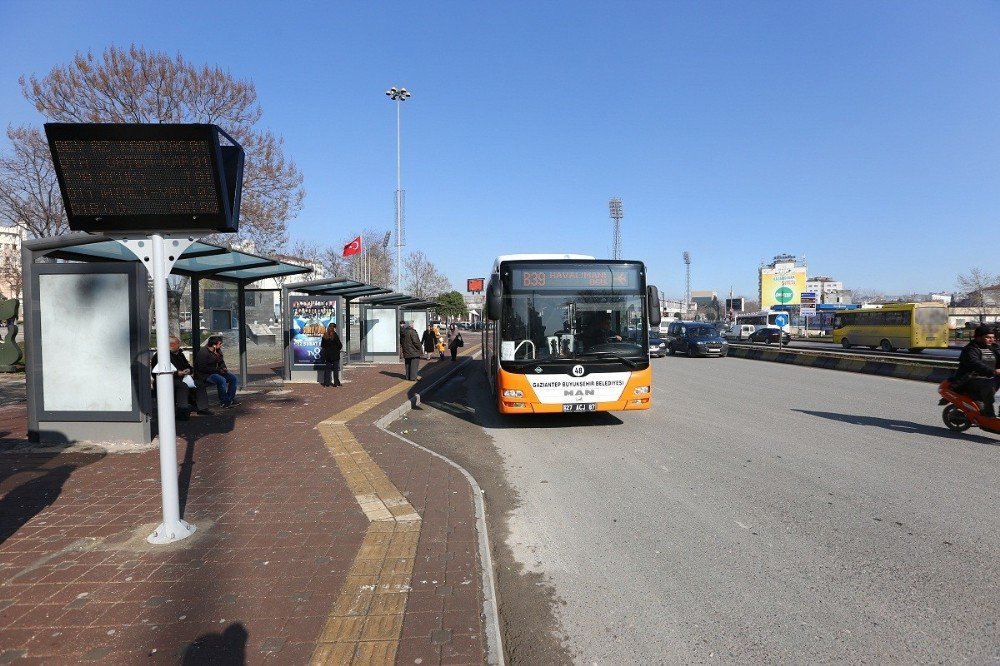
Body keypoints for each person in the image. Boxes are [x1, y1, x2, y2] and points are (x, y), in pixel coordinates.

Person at [152, 336, 211, 419]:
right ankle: (182, 411)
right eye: (178, 345)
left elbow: (188, 366)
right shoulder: (160, 356)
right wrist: (177, 373)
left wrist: (188, 370)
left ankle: (203, 408)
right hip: (168, 380)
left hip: (183, 378)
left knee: (199, 384)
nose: (179, 346)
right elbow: (156, 372)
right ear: (172, 345)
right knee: (182, 386)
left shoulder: (180, 354)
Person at [953, 324, 1000, 418]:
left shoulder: (993, 348)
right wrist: (993, 371)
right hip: (969, 380)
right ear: (978, 337)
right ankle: (988, 414)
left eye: (992, 337)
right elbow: (975, 363)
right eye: (987, 337)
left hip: (988, 378)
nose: (991, 340)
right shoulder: (970, 349)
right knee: (988, 386)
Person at [195, 335, 240, 408]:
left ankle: (229, 399)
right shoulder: (203, 353)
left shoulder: (217, 351)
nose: (221, 345)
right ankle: (224, 401)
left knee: (233, 378)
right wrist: (218, 370)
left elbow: (221, 362)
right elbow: (202, 368)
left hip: (216, 372)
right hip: (205, 374)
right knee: (221, 380)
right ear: (214, 345)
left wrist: (224, 368)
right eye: (220, 344)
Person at [320, 322, 343, 387]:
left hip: (327, 355)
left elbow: (322, 345)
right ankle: (336, 383)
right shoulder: (335, 335)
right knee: (335, 369)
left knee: (327, 369)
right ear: (334, 328)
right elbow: (339, 345)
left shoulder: (325, 335)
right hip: (335, 355)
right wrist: (338, 348)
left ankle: (326, 383)